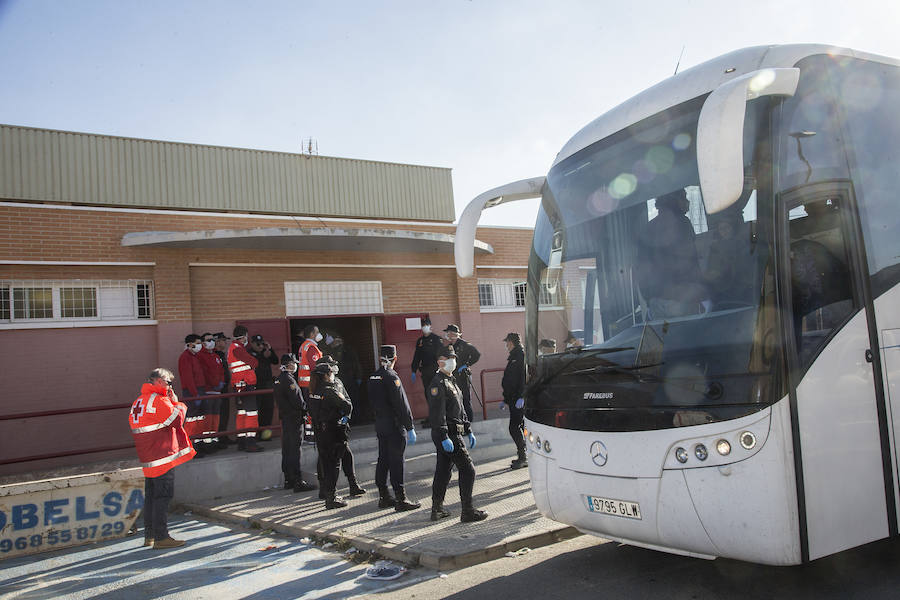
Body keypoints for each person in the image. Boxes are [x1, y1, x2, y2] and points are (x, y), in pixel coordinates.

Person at [128, 368, 196, 549]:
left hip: (149, 459)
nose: (170, 386)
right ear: (158, 381)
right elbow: (176, 419)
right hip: (161, 457)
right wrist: (178, 403)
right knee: (163, 497)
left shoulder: (139, 401)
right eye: (168, 382)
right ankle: (161, 537)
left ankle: (150, 536)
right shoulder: (158, 400)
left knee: (151, 497)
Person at [427, 346, 487, 523]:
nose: (453, 361)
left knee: (443, 472)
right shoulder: (437, 383)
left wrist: (468, 430)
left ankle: (437, 509)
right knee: (468, 470)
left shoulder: (451, 380)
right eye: (450, 358)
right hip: (448, 434)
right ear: (440, 361)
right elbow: (437, 413)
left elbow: (459, 409)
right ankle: (467, 511)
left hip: (455, 431)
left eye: (454, 357)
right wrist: (444, 435)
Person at [636, 189, 707, 319]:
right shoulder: (682, 223)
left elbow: (641, 268)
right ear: (675, 200)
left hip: (656, 301)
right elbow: (690, 262)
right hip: (681, 298)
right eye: (684, 197)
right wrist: (699, 294)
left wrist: (649, 298)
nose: (687, 202)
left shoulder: (648, 228)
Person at [368, 345, 420, 511]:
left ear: (380, 358)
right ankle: (401, 498)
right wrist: (409, 426)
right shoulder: (392, 377)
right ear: (395, 359)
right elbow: (401, 405)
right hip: (394, 425)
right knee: (397, 461)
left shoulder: (373, 377)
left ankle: (384, 496)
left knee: (383, 460)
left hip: (381, 424)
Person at [312, 355, 366, 499]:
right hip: (329, 428)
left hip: (340, 426)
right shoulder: (317, 386)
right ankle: (326, 489)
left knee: (346, 455)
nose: (335, 367)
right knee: (327, 460)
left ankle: (353, 484)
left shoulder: (338, 382)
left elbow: (347, 400)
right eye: (331, 365)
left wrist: (346, 416)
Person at [310, 360, 354, 509]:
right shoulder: (329, 391)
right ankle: (331, 497)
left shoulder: (313, 391)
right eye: (330, 373)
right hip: (332, 431)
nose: (332, 375)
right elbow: (346, 405)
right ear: (326, 376)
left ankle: (328, 495)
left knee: (325, 463)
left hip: (320, 432)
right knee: (334, 464)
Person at [273, 353, 316, 492]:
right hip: (294, 419)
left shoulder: (279, 380)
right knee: (294, 450)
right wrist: (306, 409)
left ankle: (288, 479)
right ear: (290, 364)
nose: (296, 365)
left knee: (287, 449)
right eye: (294, 363)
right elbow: (298, 401)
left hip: (286, 419)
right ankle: (297, 481)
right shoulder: (289, 380)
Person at [228, 325, 263, 452]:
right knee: (251, 413)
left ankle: (242, 441)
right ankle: (250, 441)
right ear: (243, 337)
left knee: (242, 413)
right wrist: (254, 361)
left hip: (239, 385)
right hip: (245, 384)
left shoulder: (234, 348)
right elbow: (254, 362)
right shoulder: (238, 349)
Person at [178, 333, 214, 455]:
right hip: (192, 392)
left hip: (199, 390)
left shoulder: (194, 356)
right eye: (197, 343)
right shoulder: (185, 357)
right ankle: (191, 447)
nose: (199, 346)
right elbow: (188, 378)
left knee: (200, 419)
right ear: (189, 344)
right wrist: (195, 394)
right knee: (192, 419)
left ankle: (199, 444)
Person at [443, 324, 481, 422]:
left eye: (449, 333)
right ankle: (461, 421)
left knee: (465, 399)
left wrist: (467, 364)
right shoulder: (450, 347)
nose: (448, 335)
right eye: (447, 333)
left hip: (464, 375)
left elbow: (476, 354)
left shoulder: (465, 344)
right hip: (454, 376)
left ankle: (469, 422)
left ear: (454, 334)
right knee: (456, 399)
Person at [501, 332, 527, 469]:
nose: (506, 345)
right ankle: (524, 455)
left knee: (514, 427)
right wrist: (506, 399)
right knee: (520, 427)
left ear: (511, 342)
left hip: (518, 399)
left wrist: (522, 396)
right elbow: (509, 380)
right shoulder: (514, 357)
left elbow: (523, 378)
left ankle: (523, 456)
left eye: (507, 342)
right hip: (513, 399)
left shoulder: (520, 356)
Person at [325, 335, 365, 421]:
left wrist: (358, 376)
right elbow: (356, 365)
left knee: (348, 400)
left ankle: (353, 418)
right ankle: (355, 418)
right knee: (351, 400)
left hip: (346, 379)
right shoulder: (346, 350)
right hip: (348, 379)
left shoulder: (337, 352)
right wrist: (358, 376)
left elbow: (355, 365)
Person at [197, 332, 224, 447]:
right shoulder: (200, 356)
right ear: (203, 343)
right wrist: (214, 383)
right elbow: (204, 373)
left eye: (212, 340)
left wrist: (221, 382)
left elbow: (221, 371)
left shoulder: (216, 356)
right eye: (208, 340)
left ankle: (214, 440)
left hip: (217, 392)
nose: (211, 342)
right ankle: (207, 442)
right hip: (207, 391)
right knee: (207, 417)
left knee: (216, 416)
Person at [248, 334, 279, 432]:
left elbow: (275, 361)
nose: (260, 346)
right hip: (256, 386)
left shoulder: (265, 352)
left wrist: (270, 350)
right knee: (257, 411)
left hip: (267, 385)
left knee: (268, 409)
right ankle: (256, 434)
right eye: (258, 344)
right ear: (252, 344)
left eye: (262, 344)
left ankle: (266, 434)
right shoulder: (249, 353)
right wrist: (262, 355)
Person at [410, 317, 443, 400]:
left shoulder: (437, 339)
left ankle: (439, 412)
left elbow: (442, 355)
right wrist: (413, 370)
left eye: (426, 325)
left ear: (430, 326)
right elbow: (417, 356)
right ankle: (432, 411)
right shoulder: (420, 341)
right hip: (425, 371)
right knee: (428, 393)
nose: (425, 327)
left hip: (435, 370)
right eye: (423, 325)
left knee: (436, 393)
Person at [213, 332, 233, 446]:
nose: (225, 342)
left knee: (225, 413)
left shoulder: (222, 354)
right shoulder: (215, 354)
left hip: (224, 388)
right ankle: (219, 438)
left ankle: (223, 436)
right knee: (219, 414)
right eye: (223, 340)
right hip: (217, 389)